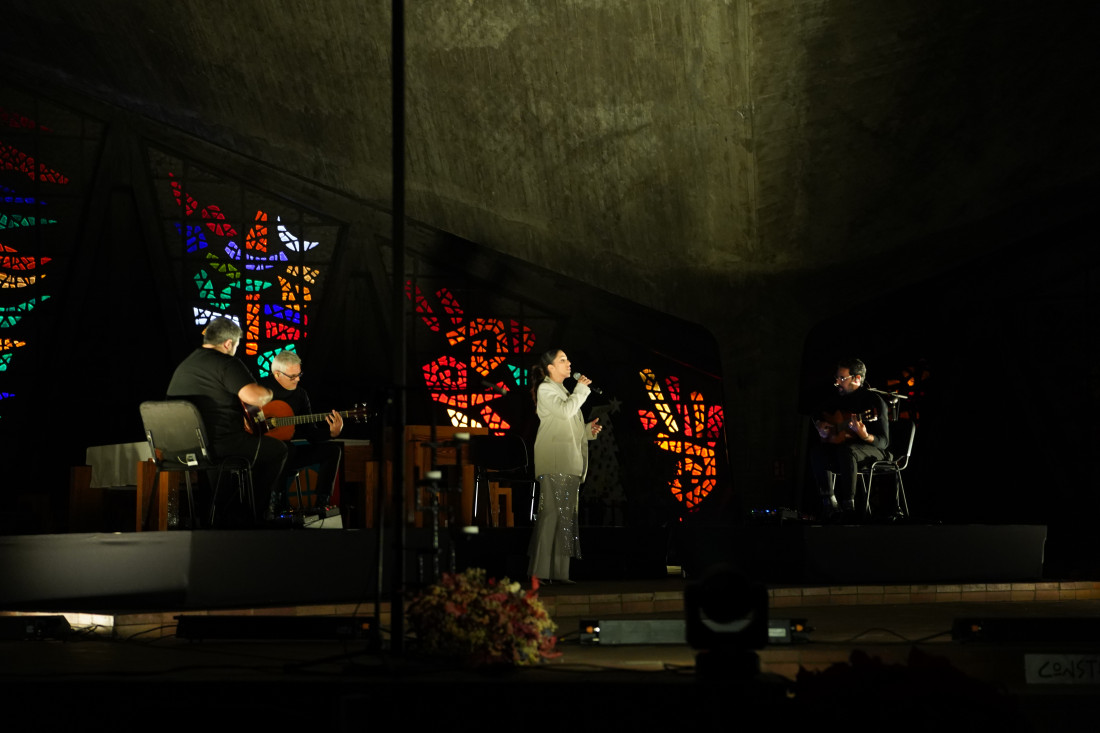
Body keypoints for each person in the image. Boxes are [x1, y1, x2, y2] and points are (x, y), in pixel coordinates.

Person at [166, 317, 287, 526]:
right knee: (277, 450)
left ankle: (225, 516)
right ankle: (255, 515)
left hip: (185, 447)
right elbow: (255, 397)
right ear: (228, 343)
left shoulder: (186, 365)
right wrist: (269, 391)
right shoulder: (226, 362)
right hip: (221, 445)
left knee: (223, 455)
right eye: (237, 345)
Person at [527, 348, 602, 583]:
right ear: (551, 367)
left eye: (568, 359)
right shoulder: (546, 388)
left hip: (569, 461)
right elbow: (565, 411)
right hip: (556, 460)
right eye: (563, 360)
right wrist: (581, 390)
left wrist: (588, 431)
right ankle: (540, 573)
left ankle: (560, 573)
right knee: (551, 515)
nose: (569, 363)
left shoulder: (563, 390)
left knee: (566, 518)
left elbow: (567, 424)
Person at [258, 350, 344, 517]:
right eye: (292, 376)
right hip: (262, 454)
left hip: (289, 454)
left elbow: (311, 434)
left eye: (299, 374)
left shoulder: (300, 395)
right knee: (286, 448)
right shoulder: (258, 390)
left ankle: (322, 505)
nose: (297, 379)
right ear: (277, 374)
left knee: (333, 451)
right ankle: (274, 506)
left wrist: (331, 434)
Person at [808, 358, 890, 521]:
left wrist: (865, 435)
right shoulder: (837, 399)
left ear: (857, 379)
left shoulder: (874, 401)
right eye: (836, 378)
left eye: (842, 378)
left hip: (873, 451)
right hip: (844, 450)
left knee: (847, 451)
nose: (837, 382)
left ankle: (849, 506)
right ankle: (829, 502)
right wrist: (821, 425)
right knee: (818, 451)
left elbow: (884, 442)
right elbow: (816, 413)